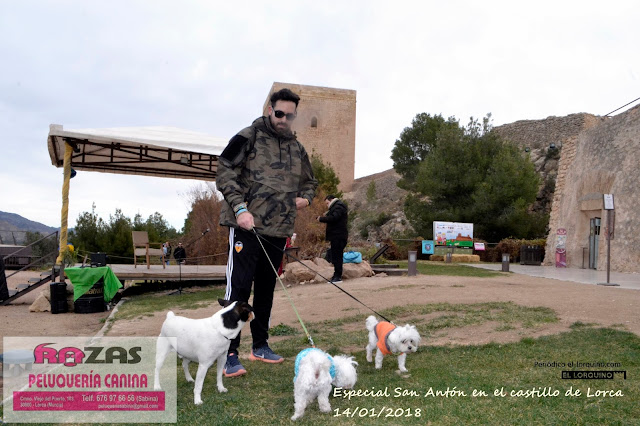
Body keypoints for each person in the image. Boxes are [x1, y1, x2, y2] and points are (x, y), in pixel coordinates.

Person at [217, 88, 318, 377]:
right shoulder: (248, 137)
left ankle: (260, 345)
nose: (284, 119)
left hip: (278, 230)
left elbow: (311, 182)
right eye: (279, 113)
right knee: (238, 289)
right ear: (270, 110)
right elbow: (224, 170)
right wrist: (240, 209)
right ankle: (229, 353)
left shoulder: (297, 148)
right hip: (246, 226)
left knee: (265, 289)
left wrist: (305, 199)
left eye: (290, 115)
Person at [317, 195, 348, 283]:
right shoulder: (338, 207)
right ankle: (336, 275)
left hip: (338, 235)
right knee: (335, 255)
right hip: (337, 235)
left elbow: (334, 218)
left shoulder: (338, 207)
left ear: (331, 200)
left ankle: (338, 276)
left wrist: (322, 219)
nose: (327, 205)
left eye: (327, 203)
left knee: (337, 256)